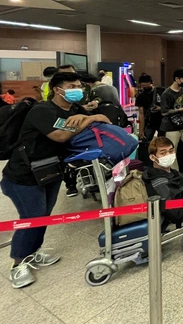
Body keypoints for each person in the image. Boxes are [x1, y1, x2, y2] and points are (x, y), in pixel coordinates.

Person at [1, 72, 111, 289]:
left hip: (50, 170)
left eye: (78, 85)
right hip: (23, 175)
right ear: (56, 89)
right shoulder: (42, 111)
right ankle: (18, 263)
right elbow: (60, 135)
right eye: (71, 86)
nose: (76, 89)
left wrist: (91, 117)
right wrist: (90, 118)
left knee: (44, 215)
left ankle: (33, 252)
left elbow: (102, 120)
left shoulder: (75, 109)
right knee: (32, 217)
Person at [135, 73, 166, 140]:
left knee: (162, 141)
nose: (146, 88)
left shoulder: (162, 91)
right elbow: (141, 114)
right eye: (143, 86)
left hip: (162, 121)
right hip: (149, 122)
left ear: (152, 83)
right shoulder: (140, 97)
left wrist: (161, 109)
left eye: (147, 86)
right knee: (146, 140)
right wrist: (141, 130)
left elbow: (170, 105)